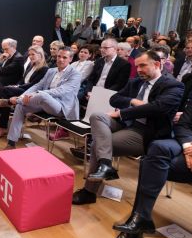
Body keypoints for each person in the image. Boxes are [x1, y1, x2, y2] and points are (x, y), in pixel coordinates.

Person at [112, 63, 192, 238]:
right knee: (158, 147)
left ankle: (138, 221)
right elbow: (182, 126)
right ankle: (140, 219)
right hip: (188, 143)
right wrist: (191, 147)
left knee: (151, 165)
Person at [72, 51, 184, 205]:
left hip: (146, 132)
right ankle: (105, 165)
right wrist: (133, 101)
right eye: (137, 66)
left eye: (143, 65)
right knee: (97, 116)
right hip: (127, 123)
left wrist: (123, 113)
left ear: (157, 64)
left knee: (99, 144)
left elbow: (157, 108)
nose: (138, 70)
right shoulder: (135, 82)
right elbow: (114, 98)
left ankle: (90, 190)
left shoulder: (173, 85)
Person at [0, 46, 81, 149]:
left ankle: (12, 101)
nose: (60, 59)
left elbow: (61, 91)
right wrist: (24, 95)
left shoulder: (75, 74)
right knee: (20, 107)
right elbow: (38, 85)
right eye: (59, 56)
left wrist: (33, 95)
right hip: (44, 103)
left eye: (64, 57)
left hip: (61, 107)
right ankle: (11, 142)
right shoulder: (51, 71)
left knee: (41, 95)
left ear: (70, 59)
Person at [0, 45, 49, 138]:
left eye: (33, 54)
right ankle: (1, 125)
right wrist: (16, 85)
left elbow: (34, 85)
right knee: (5, 98)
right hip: (22, 88)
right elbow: (23, 79)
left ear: (40, 55)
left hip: (30, 92)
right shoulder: (31, 65)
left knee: (5, 91)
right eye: (29, 55)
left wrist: (18, 86)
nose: (30, 56)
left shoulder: (44, 69)